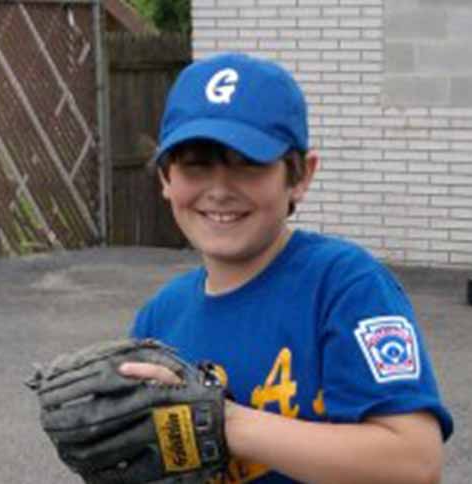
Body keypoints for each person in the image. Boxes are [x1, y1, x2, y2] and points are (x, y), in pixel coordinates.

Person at [119, 52, 453, 483]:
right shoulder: (160, 317)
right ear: (166, 179)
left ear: (300, 176)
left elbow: (415, 462)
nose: (219, 189)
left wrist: (221, 421)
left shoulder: (344, 286)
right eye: (196, 164)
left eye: (248, 163)